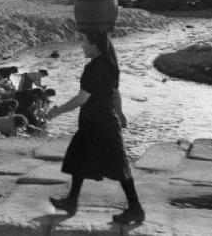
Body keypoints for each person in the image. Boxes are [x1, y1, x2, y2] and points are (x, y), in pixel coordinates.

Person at [47, 32, 144, 224]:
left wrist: (57, 112)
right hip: (99, 122)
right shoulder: (110, 64)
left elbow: (82, 98)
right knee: (78, 158)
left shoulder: (93, 67)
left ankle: (136, 209)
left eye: (84, 41)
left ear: (95, 44)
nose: (82, 46)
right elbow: (115, 93)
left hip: (100, 124)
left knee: (119, 167)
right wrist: (120, 113)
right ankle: (71, 202)